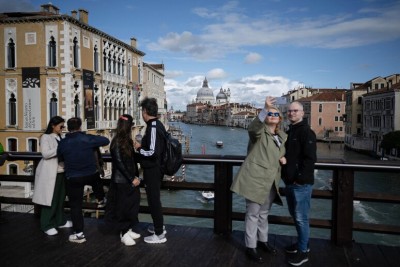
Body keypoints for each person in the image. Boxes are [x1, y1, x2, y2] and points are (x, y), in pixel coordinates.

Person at [231, 97, 287, 263]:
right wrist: (264, 108)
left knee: (264, 213)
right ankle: (251, 246)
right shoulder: (258, 134)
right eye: (269, 114)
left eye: (275, 114)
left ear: (279, 119)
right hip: (256, 179)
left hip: (271, 180)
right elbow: (253, 127)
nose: (272, 115)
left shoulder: (282, 137)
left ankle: (263, 241)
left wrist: (283, 157)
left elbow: (277, 153)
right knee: (253, 214)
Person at [57, 117, 110, 243]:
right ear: (80, 127)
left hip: (73, 177)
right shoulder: (87, 138)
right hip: (90, 174)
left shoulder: (63, 142)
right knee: (96, 178)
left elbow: (60, 157)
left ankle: (79, 234)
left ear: (68, 128)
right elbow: (106, 140)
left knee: (75, 206)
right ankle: (101, 199)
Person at [282, 101, 317, 266]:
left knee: (301, 218)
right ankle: (304, 244)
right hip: (290, 181)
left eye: (295, 111)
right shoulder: (291, 130)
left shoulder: (306, 132)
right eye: (289, 111)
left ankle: (303, 253)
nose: (291, 113)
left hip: (300, 184)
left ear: (302, 113)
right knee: (296, 216)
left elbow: (310, 159)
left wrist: (299, 179)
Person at [134, 97, 167, 244]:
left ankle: (159, 234)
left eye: (142, 111)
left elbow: (153, 152)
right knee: (155, 200)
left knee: (153, 201)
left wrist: (139, 148)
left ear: (145, 111)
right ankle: (159, 227)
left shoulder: (153, 126)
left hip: (153, 170)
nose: (142, 113)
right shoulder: (157, 125)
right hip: (155, 169)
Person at [32, 116, 72, 236]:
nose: (63, 128)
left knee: (60, 199)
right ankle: (46, 224)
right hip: (51, 174)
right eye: (61, 126)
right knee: (50, 200)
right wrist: (60, 148)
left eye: (63, 126)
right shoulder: (46, 137)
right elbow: (45, 154)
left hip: (61, 172)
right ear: (53, 126)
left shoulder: (61, 137)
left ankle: (60, 221)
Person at [105, 114, 141, 246]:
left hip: (128, 179)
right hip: (121, 181)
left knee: (132, 204)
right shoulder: (117, 141)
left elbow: (130, 159)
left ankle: (128, 228)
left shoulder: (125, 140)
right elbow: (119, 163)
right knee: (123, 207)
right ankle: (123, 233)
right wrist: (132, 178)